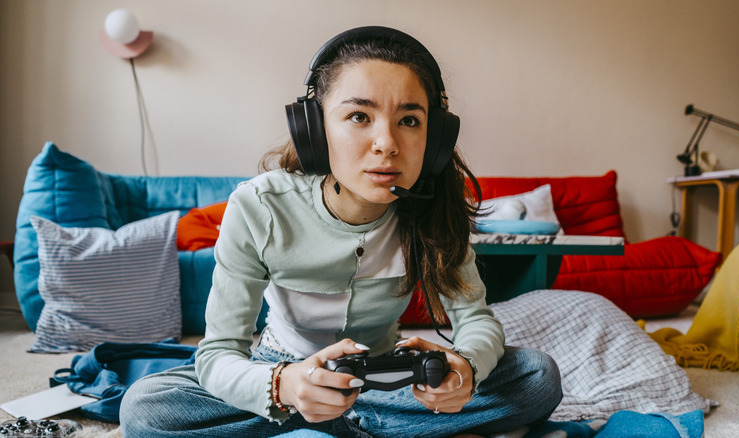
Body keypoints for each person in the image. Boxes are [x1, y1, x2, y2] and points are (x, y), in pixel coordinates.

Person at [120, 26, 562, 438]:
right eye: (358, 116)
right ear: (315, 128)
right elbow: (218, 355)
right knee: (146, 406)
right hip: (283, 371)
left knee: (537, 376)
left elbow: (476, 320)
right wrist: (284, 387)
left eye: (409, 120)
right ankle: (361, 423)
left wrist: (463, 367)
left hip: (387, 376)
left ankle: (333, 422)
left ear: (435, 138)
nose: (387, 142)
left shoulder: (434, 207)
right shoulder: (259, 206)